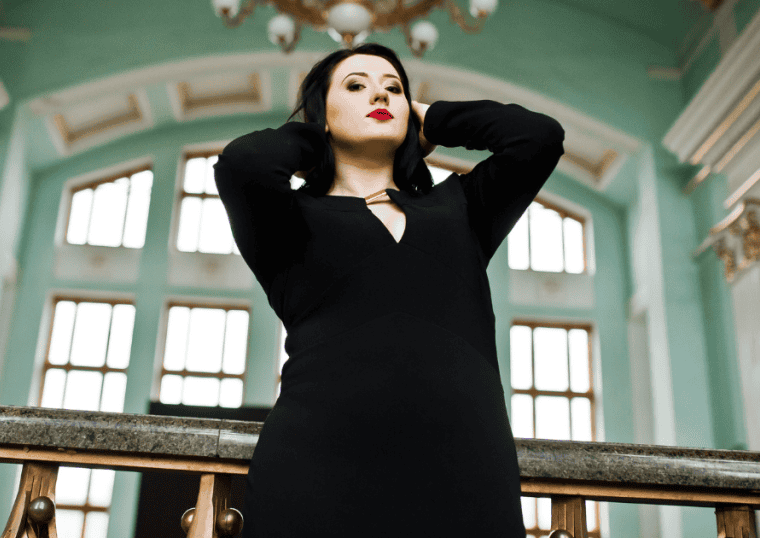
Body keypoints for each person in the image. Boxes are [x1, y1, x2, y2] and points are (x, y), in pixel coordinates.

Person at [213, 42, 565, 538]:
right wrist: (318, 137)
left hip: (466, 472)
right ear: (323, 114)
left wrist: (434, 118)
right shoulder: (288, 221)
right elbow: (243, 163)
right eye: (355, 86)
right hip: (317, 467)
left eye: (393, 88)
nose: (379, 93)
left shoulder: (462, 208)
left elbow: (539, 138)